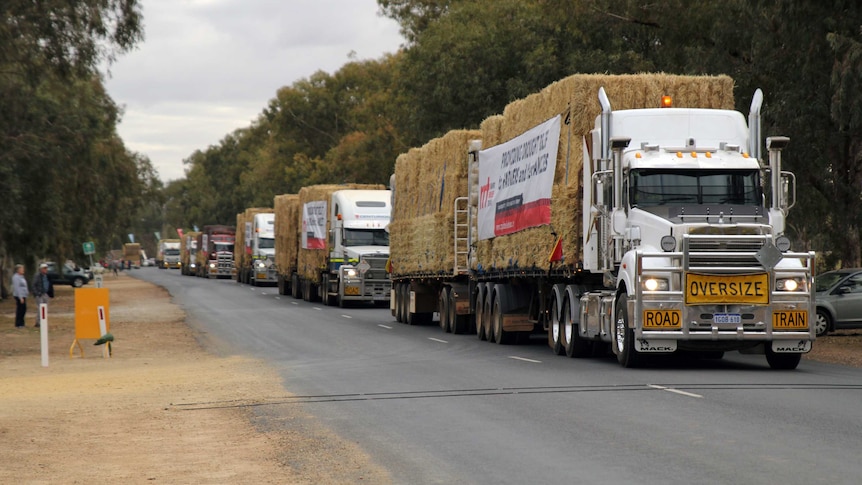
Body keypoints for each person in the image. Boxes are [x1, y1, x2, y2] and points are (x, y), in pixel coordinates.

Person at [32, 263, 54, 328]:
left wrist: (50, 293)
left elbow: (49, 284)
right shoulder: (37, 276)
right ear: (41, 269)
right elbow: (33, 285)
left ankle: (43, 321)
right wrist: (37, 293)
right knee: (40, 308)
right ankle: (38, 322)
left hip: (45, 294)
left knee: (46, 308)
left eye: (46, 268)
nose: (45, 270)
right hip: (40, 294)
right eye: (44, 268)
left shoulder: (47, 276)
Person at [11, 264, 28, 328]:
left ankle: (22, 323)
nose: (23, 270)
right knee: (20, 309)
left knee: (23, 309)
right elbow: (17, 288)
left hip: (23, 295)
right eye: (21, 269)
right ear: (18, 270)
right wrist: (20, 297)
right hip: (19, 295)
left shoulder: (22, 276)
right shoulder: (16, 277)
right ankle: (19, 323)